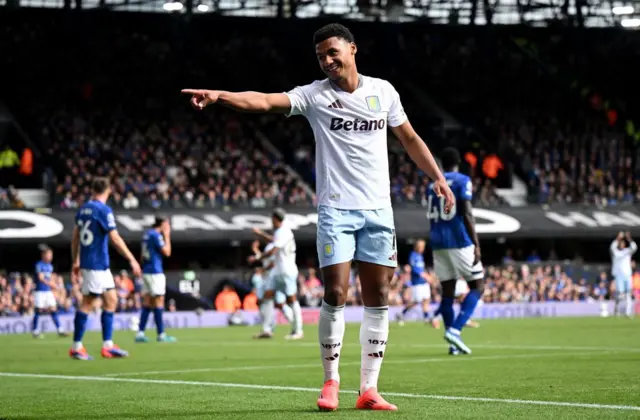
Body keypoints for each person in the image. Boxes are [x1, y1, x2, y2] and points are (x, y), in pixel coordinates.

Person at [181, 23, 454, 412]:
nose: (327, 61)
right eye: (321, 56)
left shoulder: (384, 92)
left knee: (378, 297)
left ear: (352, 49)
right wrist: (221, 95)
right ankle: (331, 382)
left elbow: (409, 138)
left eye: (332, 53)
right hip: (336, 210)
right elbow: (263, 101)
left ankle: (369, 389)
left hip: (379, 210)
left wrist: (439, 178)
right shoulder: (314, 96)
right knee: (337, 293)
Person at [69, 177, 141, 360]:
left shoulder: (83, 209)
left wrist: (75, 260)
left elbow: (75, 237)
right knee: (87, 302)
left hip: (98, 264)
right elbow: (115, 238)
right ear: (108, 190)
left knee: (111, 299)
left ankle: (108, 345)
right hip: (95, 264)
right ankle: (76, 346)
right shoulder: (103, 210)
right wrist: (132, 259)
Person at [428, 148, 482, 356]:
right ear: (459, 162)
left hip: (438, 242)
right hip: (459, 240)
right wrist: (476, 243)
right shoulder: (462, 180)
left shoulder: (432, 183)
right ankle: (455, 329)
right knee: (478, 285)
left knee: (448, 292)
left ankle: (453, 345)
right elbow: (466, 212)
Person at [251, 209, 303, 340]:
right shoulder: (281, 232)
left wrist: (258, 257)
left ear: (275, 219)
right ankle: (267, 329)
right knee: (267, 297)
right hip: (277, 271)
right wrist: (261, 234)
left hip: (287, 270)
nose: (271, 222)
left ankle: (297, 330)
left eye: (271, 219)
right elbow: (273, 240)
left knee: (291, 300)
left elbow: (272, 251)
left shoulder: (283, 231)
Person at [136, 216, 177, 343]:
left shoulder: (146, 234)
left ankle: (140, 333)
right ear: (163, 224)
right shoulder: (156, 235)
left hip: (147, 270)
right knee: (159, 301)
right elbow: (167, 252)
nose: (168, 227)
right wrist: (167, 236)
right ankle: (161, 334)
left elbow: (142, 255)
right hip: (155, 271)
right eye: (167, 224)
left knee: (147, 302)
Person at [248, 240, 295, 338]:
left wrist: (263, 269)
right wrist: (255, 250)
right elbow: (265, 259)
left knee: (267, 302)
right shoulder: (272, 245)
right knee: (275, 303)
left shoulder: (273, 245)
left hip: (271, 278)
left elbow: (272, 262)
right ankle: (293, 326)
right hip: (272, 277)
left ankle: (269, 328)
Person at [396, 240, 439, 327]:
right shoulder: (413, 256)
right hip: (417, 282)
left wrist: (428, 278)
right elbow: (416, 270)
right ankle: (401, 314)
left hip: (423, 282)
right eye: (421, 247)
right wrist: (427, 277)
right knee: (416, 301)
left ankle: (426, 317)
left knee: (426, 299)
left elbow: (421, 269)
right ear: (417, 247)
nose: (422, 249)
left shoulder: (420, 256)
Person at [32, 246, 68, 338]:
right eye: (49, 254)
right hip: (40, 291)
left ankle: (60, 329)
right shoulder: (39, 265)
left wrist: (55, 284)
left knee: (53, 309)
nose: (50, 256)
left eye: (51, 255)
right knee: (38, 310)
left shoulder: (50, 266)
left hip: (48, 291)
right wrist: (51, 284)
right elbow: (40, 278)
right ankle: (35, 331)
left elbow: (50, 278)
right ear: (43, 255)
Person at [610, 231, 637, 318]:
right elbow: (612, 247)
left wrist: (629, 238)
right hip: (619, 275)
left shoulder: (627, 252)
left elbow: (634, 247)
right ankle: (617, 310)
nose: (621, 245)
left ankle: (628, 313)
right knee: (620, 295)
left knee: (629, 294)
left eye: (623, 243)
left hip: (627, 275)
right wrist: (618, 238)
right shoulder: (615, 252)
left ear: (624, 245)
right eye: (620, 243)